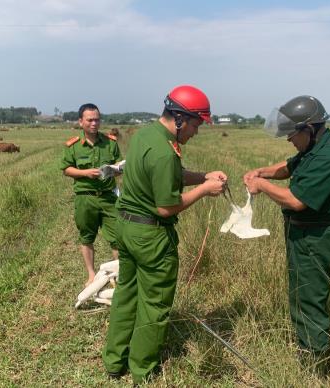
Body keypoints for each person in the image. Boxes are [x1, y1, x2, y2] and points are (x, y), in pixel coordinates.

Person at [102, 85, 227, 384]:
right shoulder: (165, 151)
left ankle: (113, 361)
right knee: (154, 304)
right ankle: (142, 370)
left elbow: (169, 175)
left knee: (126, 294)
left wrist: (202, 176)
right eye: (196, 125)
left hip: (126, 228)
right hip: (151, 237)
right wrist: (204, 190)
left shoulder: (147, 135)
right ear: (181, 118)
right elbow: (167, 207)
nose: (196, 132)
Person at [244, 95, 330, 377]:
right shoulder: (315, 147)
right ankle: (308, 354)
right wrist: (262, 171)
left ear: (310, 128)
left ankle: (317, 370)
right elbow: (289, 166)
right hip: (302, 235)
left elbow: (295, 200)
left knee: (309, 301)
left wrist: (262, 185)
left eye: (293, 134)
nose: (290, 140)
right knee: (301, 296)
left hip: (315, 238)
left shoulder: (329, 156)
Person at [61, 103, 121, 287]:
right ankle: (91, 275)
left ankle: (120, 275)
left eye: (97, 119)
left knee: (118, 237)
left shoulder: (110, 143)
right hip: (85, 198)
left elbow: (119, 166)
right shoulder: (73, 146)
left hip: (108, 197)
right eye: (90, 120)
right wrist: (86, 173)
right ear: (81, 122)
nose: (94, 123)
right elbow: (66, 169)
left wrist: (114, 170)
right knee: (86, 236)